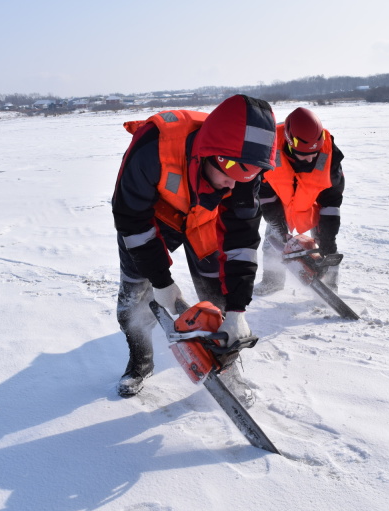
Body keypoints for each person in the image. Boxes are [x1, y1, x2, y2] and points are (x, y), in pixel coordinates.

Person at [112, 94, 277, 400]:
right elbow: (130, 219)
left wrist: (237, 309)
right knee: (133, 300)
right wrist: (161, 281)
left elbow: (242, 240)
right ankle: (140, 362)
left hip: (205, 221)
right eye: (230, 175)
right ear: (211, 154)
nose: (234, 185)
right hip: (155, 221)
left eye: (247, 176)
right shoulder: (154, 145)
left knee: (219, 300)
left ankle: (228, 373)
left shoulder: (245, 170)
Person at [254, 107, 345, 295]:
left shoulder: (330, 157)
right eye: (304, 154)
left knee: (326, 245)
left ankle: (329, 286)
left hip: (314, 201)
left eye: (314, 153)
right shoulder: (268, 151)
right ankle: (272, 282)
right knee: (273, 241)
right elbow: (265, 195)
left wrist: (328, 241)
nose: (310, 158)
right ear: (289, 143)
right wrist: (278, 227)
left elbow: (331, 202)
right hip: (280, 201)